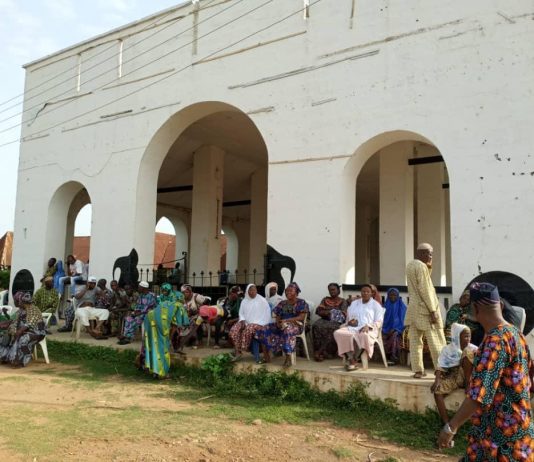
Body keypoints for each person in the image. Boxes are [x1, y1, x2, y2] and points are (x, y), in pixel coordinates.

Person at [437, 283, 534, 460]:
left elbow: (478, 395)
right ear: (500, 306)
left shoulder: (494, 343)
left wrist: (451, 427)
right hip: (517, 430)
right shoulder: (516, 334)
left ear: (475, 308)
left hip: (500, 438)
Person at [405, 243, 446, 378]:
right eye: (429, 253)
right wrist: (433, 310)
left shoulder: (410, 265)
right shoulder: (421, 266)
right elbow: (425, 289)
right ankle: (441, 372)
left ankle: (418, 371)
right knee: (436, 341)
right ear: (421, 253)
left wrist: (429, 266)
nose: (430, 256)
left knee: (415, 341)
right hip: (425, 309)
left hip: (413, 309)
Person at [140, 283, 188, 379]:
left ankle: (152, 370)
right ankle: (162, 373)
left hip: (149, 318)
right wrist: (169, 339)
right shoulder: (179, 306)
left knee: (152, 344)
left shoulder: (165, 303)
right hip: (160, 322)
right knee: (163, 347)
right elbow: (178, 325)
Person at [432, 323, 477, 424]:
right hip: (455, 377)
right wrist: (437, 380)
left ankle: (468, 385)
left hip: (470, 378)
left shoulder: (473, 349)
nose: (468, 339)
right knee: (437, 391)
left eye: (469, 336)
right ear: (457, 336)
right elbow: (441, 365)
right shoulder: (447, 350)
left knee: (467, 352)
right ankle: (446, 423)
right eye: (465, 336)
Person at [256, 282, 309, 368]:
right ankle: (266, 356)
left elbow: (301, 317)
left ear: (296, 292)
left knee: (287, 330)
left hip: (296, 325)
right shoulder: (283, 303)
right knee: (263, 329)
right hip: (282, 323)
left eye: (291, 291)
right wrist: (278, 323)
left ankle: (288, 358)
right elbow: (278, 314)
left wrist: (287, 321)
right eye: (287, 291)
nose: (288, 293)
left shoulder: (301, 302)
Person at [333, 284, 384, 371]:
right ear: (361, 292)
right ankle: (350, 358)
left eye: (368, 292)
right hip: (353, 327)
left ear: (372, 293)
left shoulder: (376, 305)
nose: (365, 293)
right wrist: (350, 322)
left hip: (369, 328)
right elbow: (349, 317)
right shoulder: (354, 303)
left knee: (364, 335)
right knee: (338, 333)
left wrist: (369, 326)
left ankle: (355, 360)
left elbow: (379, 321)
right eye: (363, 291)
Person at [0, 292, 46, 367]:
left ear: (21, 302)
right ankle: (5, 357)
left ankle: (19, 361)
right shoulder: (21, 310)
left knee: (23, 339)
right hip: (25, 330)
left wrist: (18, 331)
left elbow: (29, 324)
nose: (17, 303)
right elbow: (14, 320)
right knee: (5, 336)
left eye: (17, 301)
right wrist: (9, 328)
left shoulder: (33, 309)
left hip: (37, 332)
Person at [229, 284, 272, 363]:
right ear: (247, 291)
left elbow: (267, 314)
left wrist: (261, 323)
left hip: (260, 323)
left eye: (254, 290)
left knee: (248, 329)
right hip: (246, 321)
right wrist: (242, 320)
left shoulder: (262, 300)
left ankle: (243, 348)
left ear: (256, 291)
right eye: (250, 290)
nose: (252, 292)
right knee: (234, 330)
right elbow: (241, 313)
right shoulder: (244, 301)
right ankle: (238, 352)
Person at [312, 283, 348, 361]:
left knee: (331, 328)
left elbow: (343, 315)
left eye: (333, 289)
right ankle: (318, 352)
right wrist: (331, 312)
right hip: (324, 319)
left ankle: (323, 352)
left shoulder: (343, 301)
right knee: (316, 326)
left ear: (338, 290)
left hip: (336, 321)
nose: (332, 291)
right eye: (330, 290)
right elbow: (319, 311)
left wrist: (328, 312)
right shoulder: (325, 300)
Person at [382, 288, 407, 365]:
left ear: (397, 296)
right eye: (390, 295)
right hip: (385, 329)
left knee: (394, 336)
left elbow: (404, 321)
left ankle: (392, 357)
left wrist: (396, 329)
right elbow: (381, 320)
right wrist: (384, 329)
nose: (392, 297)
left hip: (399, 330)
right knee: (383, 337)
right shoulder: (385, 306)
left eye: (394, 295)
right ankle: (386, 356)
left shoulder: (402, 306)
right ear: (388, 296)